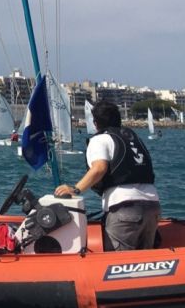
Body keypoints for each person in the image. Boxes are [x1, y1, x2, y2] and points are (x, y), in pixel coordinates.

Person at [55, 100, 160, 251]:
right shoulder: (134, 138)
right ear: (119, 119)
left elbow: (99, 168)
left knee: (119, 266)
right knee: (144, 264)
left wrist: (75, 189)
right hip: (153, 206)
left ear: (95, 123)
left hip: (124, 208)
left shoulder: (100, 139)